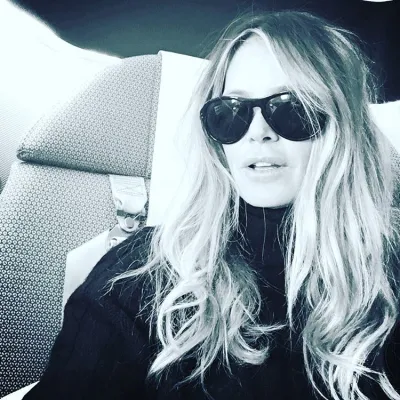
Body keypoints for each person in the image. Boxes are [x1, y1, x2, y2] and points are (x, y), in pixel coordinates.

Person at [23, 9, 400, 400]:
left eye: (291, 108)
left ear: (343, 126)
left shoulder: (389, 277)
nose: (258, 132)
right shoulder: (141, 275)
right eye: (231, 112)